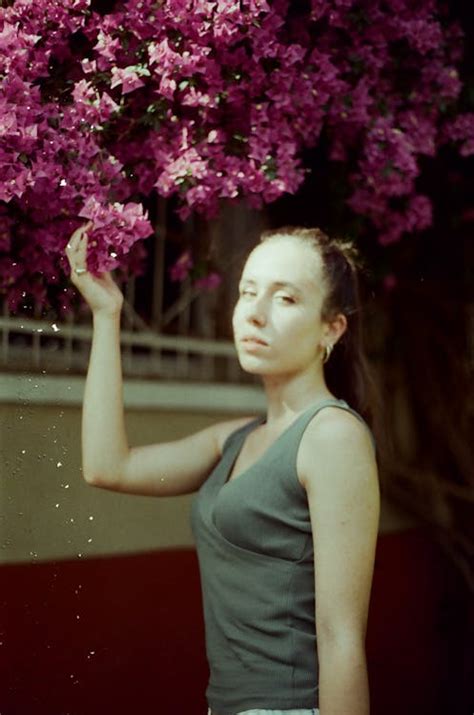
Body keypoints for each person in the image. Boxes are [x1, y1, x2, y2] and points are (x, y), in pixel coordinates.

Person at [65, 223, 380, 715]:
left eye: (286, 299)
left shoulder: (331, 437)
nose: (254, 313)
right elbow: (107, 467)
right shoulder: (234, 438)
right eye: (247, 292)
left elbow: (340, 637)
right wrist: (107, 317)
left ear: (331, 328)